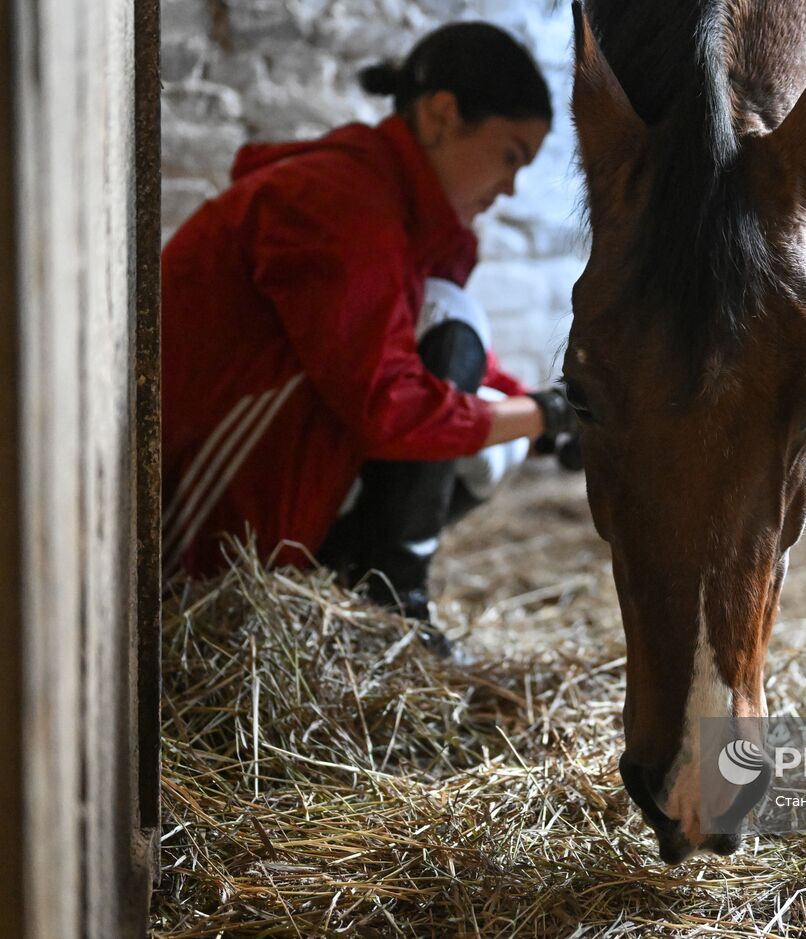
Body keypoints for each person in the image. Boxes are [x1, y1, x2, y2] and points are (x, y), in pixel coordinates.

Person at [160, 22, 576, 644]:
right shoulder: (340, 203)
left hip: (262, 498)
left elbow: (415, 356)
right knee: (456, 329)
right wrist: (544, 413)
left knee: (490, 411)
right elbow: (390, 405)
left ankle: (364, 593)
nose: (511, 186)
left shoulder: (390, 209)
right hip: (202, 547)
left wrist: (548, 423)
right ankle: (392, 606)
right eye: (510, 154)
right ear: (441, 116)